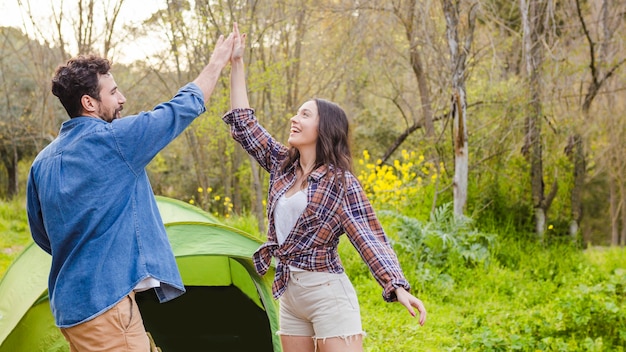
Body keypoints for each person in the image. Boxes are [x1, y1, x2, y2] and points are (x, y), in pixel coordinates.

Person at [222, 23, 426, 352]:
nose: (294, 118)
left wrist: (397, 286)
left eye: (304, 114)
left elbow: (370, 238)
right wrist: (237, 64)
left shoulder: (341, 183)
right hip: (289, 292)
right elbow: (244, 123)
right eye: (296, 112)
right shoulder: (282, 166)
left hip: (327, 293)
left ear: (324, 128)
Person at [26, 32, 234, 351]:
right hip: (105, 308)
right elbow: (182, 108)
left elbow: (43, 235)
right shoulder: (116, 142)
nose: (121, 98)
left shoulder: (42, 163)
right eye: (113, 91)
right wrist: (218, 61)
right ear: (89, 103)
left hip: (71, 308)